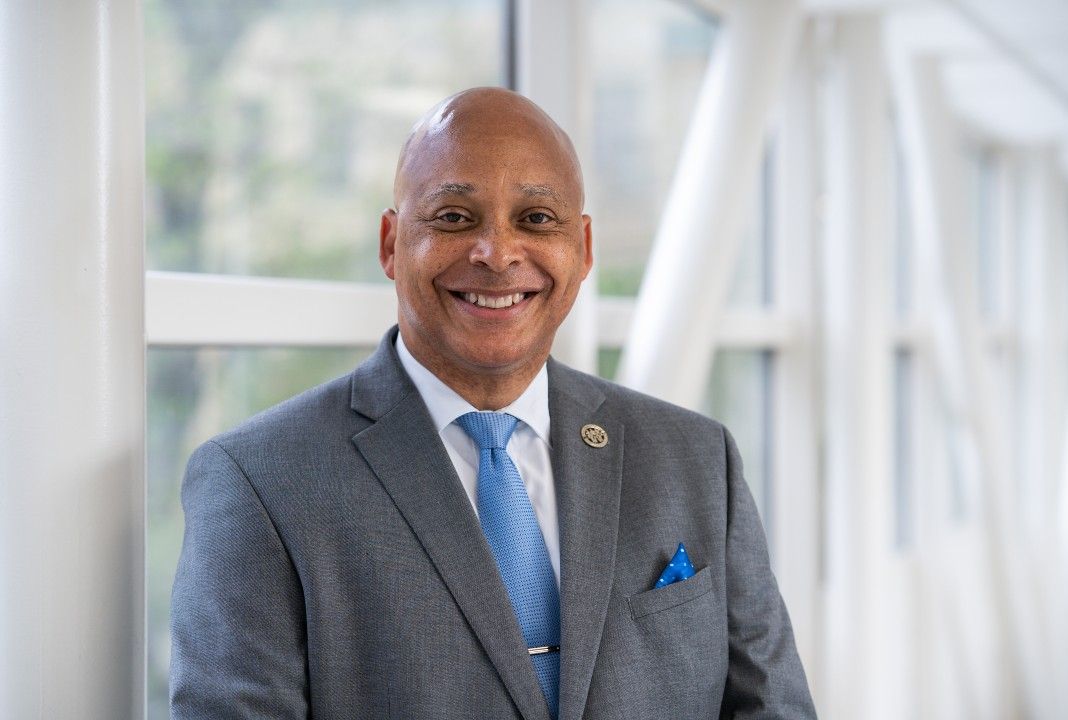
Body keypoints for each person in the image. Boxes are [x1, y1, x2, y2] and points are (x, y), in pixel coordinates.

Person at [170, 87, 817, 719]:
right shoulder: (259, 483)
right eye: (454, 217)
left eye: (536, 219)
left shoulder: (698, 460)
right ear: (391, 244)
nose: (499, 254)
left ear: (583, 250)